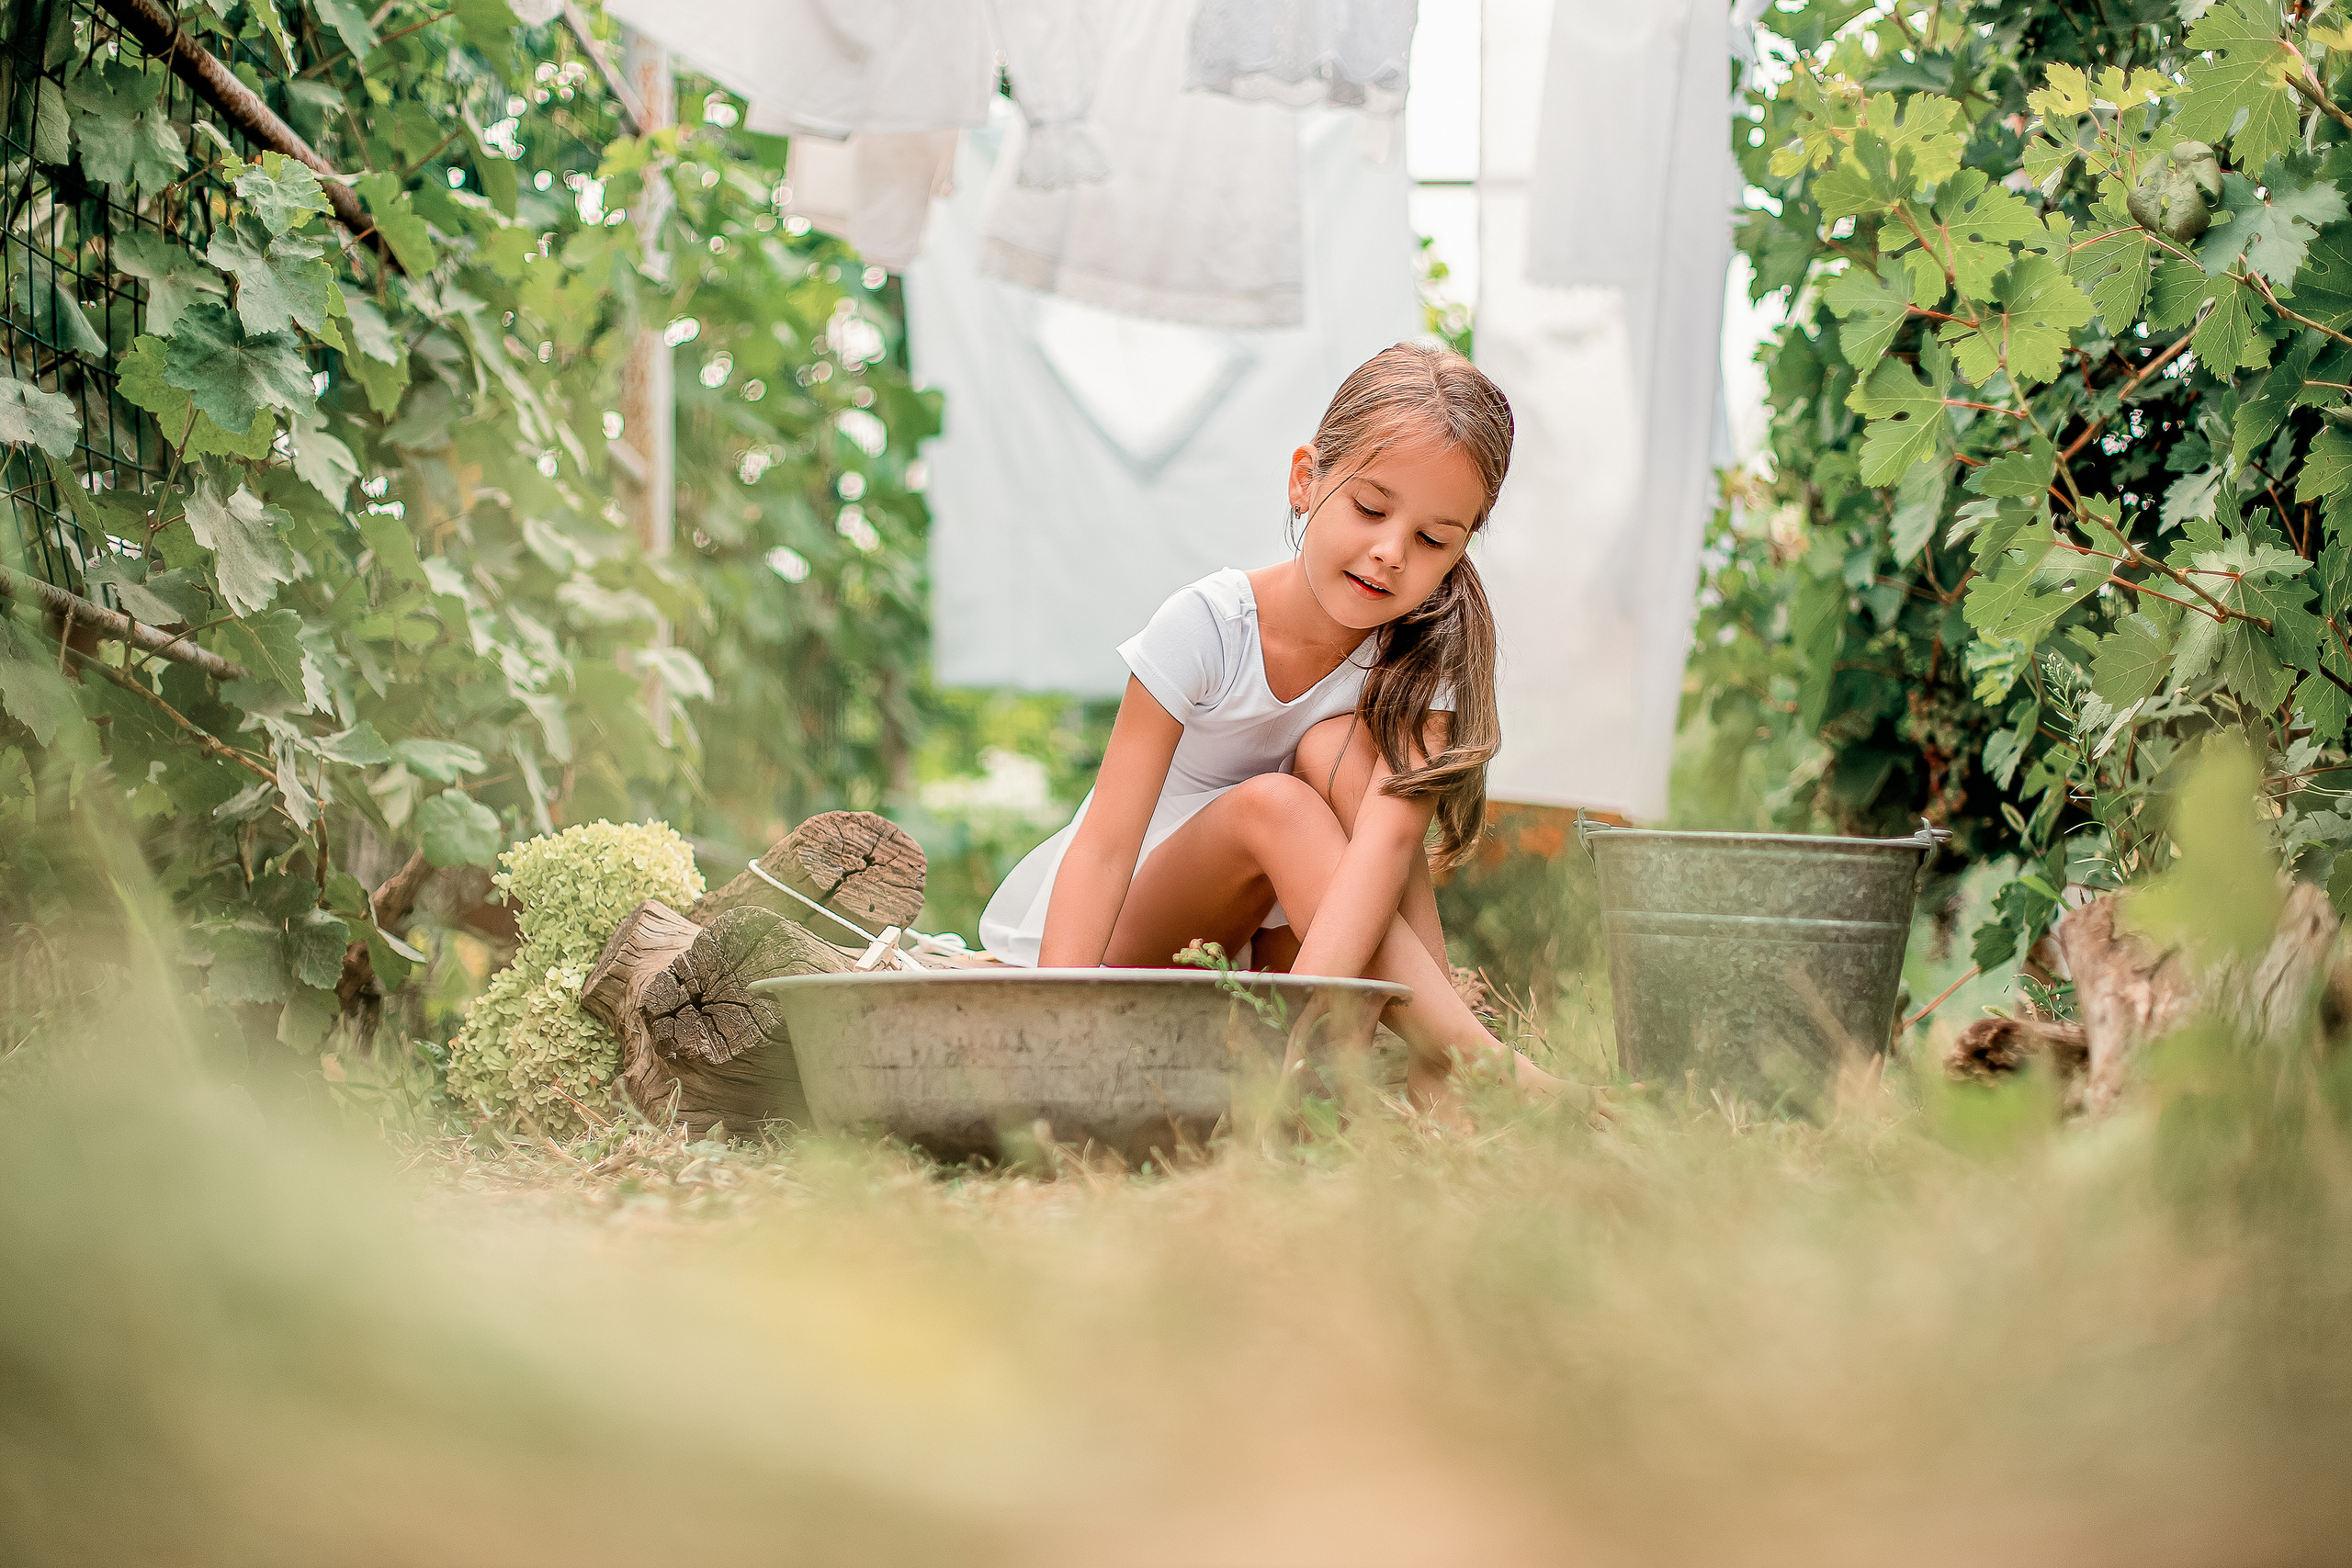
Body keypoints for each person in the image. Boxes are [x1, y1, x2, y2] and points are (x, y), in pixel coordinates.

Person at [979, 341, 1564, 1105]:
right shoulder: (1207, 626)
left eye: (1430, 540)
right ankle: (1477, 1063)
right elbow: (1104, 845)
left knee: (1342, 752)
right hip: (1122, 942)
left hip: (1272, 958)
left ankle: (1355, 1064)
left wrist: (1324, 1035)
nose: (1389, 553)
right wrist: (1050, 1026)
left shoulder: (1419, 659)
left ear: (1459, 552)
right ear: (1305, 480)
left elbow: (1390, 856)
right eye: (1370, 507)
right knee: (1277, 802)